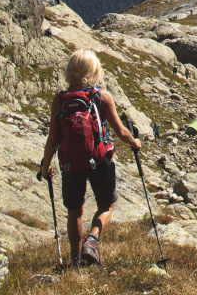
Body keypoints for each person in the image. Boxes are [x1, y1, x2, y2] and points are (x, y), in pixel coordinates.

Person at [38, 50, 142, 268]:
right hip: (100, 160)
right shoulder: (102, 96)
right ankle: (92, 240)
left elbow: (52, 139)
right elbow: (121, 131)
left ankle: (75, 260)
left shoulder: (59, 101)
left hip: (69, 164)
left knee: (75, 211)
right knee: (106, 205)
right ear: (94, 70)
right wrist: (134, 143)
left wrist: (45, 167)